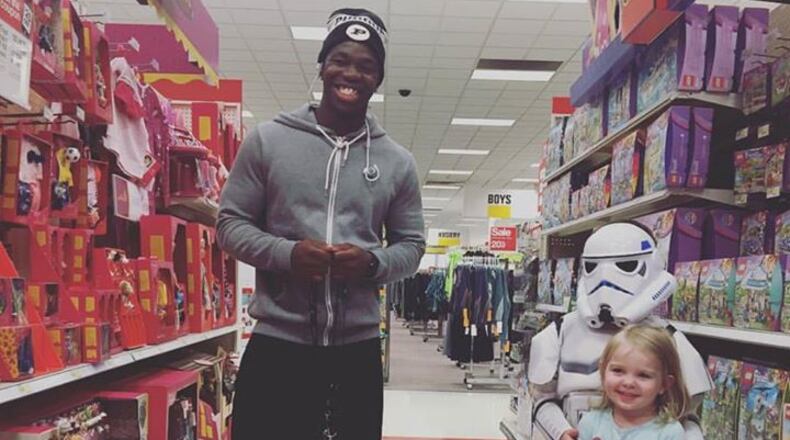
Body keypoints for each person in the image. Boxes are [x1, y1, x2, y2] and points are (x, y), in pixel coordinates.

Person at [216, 7, 425, 440]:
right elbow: (230, 225)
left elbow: (411, 246)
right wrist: (287, 255)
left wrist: (371, 264)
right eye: (340, 60)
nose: (351, 73)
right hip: (277, 344)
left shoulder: (397, 162)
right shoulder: (268, 141)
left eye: (366, 66)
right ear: (323, 66)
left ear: (378, 77)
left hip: (357, 352)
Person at [578, 324, 689, 440]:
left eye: (643, 375)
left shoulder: (670, 433)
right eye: (618, 370)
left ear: (664, 384)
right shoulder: (591, 423)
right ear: (603, 372)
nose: (628, 383)